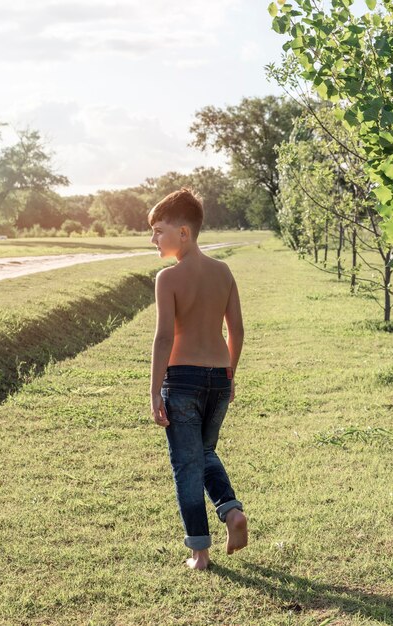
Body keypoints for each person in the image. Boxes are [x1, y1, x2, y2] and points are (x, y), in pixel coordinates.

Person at [148, 187, 248, 570]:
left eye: (159, 230)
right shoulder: (223, 272)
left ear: (184, 233)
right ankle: (231, 511)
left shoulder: (168, 279)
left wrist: (155, 390)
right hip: (219, 378)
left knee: (186, 464)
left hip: (183, 381)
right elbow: (236, 330)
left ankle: (199, 553)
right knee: (204, 453)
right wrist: (230, 373)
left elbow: (164, 338)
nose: (154, 239)